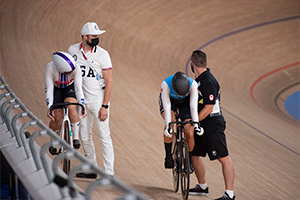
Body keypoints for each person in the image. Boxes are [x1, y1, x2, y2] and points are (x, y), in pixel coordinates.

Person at [68, 22, 114, 178]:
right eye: (93, 36)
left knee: (103, 135)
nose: (96, 38)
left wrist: (105, 106)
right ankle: (91, 169)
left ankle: (109, 173)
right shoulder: (73, 50)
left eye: (97, 36)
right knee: (84, 136)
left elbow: (109, 82)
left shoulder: (103, 54)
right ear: (85, 36)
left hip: (98, 100)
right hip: (82, 102)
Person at [189, 50, 236, 200]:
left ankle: (229, 194)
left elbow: (209, 107)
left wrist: (193, 122)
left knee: (223, 158)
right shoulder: (198, 80)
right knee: (195, 155)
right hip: (202, 123)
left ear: (192, 63)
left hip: (212, 124)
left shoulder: (208, 80)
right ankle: (202, 187)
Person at [44, 51, 86, 155]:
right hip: (56, 89)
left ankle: (75, 138)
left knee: (71, 107)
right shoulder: (50, 68)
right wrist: (50, 107)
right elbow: (49, 90)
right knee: (57, 117)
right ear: (60, 70)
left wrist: (82, 106)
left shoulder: (76, 68)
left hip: (70, 88)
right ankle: (53, 140)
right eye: (68, 73)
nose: (71, 73)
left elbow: (78, 89)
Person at [159, 71, 202, 169]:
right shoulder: (165, 84)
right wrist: (169, 126)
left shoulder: (193, 85)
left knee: (189, 131)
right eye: (177, 93)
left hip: (185, 102)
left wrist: (196, 125)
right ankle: (168, 157)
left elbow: (193, 107)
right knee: (171, 121)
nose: (179, 95)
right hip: (170, 101)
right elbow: (167, 106)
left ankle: (189, 159)